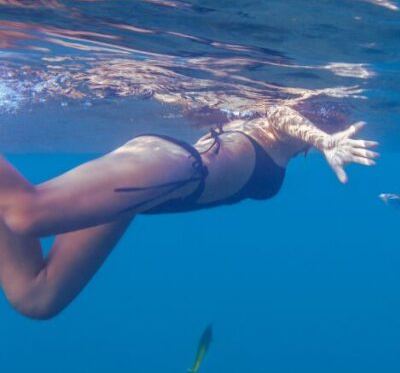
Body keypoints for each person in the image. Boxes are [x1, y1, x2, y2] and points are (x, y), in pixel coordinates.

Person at [0, 106, 378, 319]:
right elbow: (281, 113)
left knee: (38, 297)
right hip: (172, 168)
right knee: (27, 213)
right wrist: (325, 140)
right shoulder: (285, 121)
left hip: (150, 193)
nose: (344, 121)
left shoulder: (273, 135)